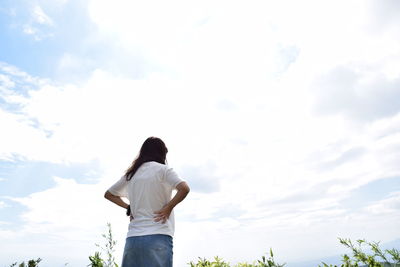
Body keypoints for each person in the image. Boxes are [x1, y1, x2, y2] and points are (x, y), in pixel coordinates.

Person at [104, 137, 190, 267]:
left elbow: (109, 194)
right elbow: (184, 188)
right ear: (162, 153)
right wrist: (169, 207)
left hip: (133, 239)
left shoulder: (131, 175)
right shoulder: (164, 170)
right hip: (158, 235)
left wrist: (129, 207)